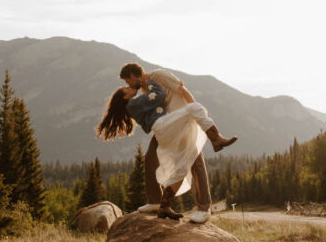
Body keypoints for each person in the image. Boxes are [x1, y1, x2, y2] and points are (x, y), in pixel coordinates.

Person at [97, 76, 237, 220]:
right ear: (125, 96)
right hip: (164, 125)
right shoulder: (133, 104)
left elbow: (154, 99)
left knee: (182, 166)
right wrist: (149, 83)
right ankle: (216, 139)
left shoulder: (135, 103)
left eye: (127, 84)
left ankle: (164, 207)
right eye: (126, 88)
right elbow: (158, 95)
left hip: (165, 127)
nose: (128, 87)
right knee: (195, 108)